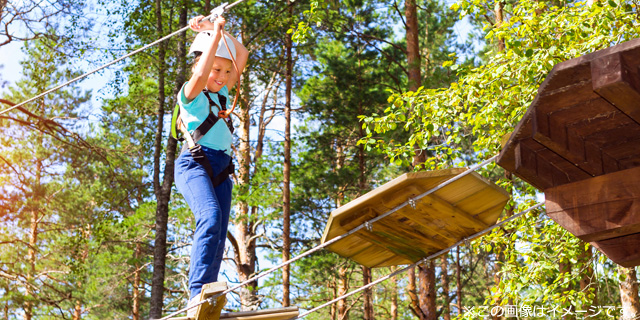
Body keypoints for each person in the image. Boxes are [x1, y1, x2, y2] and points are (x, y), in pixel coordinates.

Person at [173, 14, 248, 317]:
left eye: (226, 72)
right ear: (202, 67)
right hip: (194, 164)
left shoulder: (223, 95)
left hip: (220, 169)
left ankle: (207, 293)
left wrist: (216, 30)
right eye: (217, 69)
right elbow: (204, 70)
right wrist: (214, 34)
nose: (222, 75)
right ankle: (196, 295)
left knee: (218, 232)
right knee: (210, 216)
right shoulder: (190, 94)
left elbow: (240, 55)